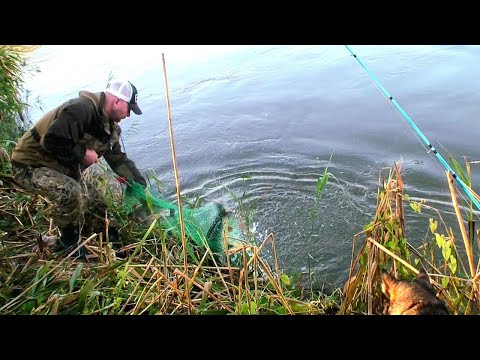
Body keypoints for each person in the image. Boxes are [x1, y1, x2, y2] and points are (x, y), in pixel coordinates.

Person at [11, 78, 147, 257]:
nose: (129, 115)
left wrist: (139, 184)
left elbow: (118, 159)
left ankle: (107, 239)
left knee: (96, 200)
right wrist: (83, 154)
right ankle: (68, 244)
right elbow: (51, 140)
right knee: (70, 191)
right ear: (116, 102)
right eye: (129, 109)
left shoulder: (111, 127)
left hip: (59, 168)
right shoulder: (81, 109)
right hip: (29, 166)